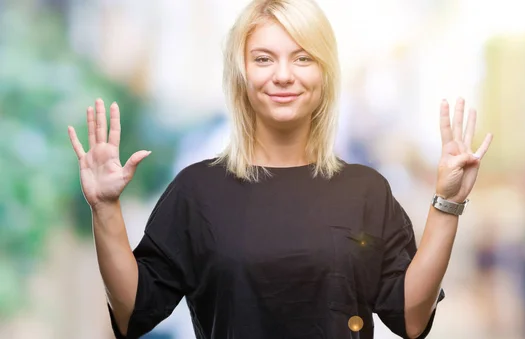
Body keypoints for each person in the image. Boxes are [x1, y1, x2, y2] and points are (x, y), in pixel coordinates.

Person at [67, 0, 493, 338]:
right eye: (264, 59)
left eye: (302, 58)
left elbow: (411, 318)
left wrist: (448, 204)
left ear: (325, 74)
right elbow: (132, 312)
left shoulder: (366, 191)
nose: (284, 75)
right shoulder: (198, 191)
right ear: (242, 74)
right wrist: (105, 208)